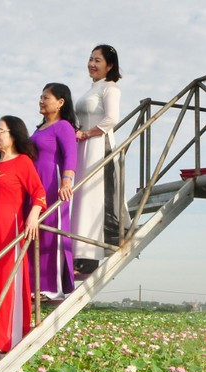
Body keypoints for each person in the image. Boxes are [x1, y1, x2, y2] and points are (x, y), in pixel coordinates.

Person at [0, 116, 47, 353]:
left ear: (13, 135)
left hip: (8, 232)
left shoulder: (22, 162)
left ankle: (5, 339)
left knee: (4, 282)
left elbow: (39, 192)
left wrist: (33, 214)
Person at [73, 44, 128, 275]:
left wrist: (87, 133)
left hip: (98, 146)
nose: (92, 64)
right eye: (90, 59)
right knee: (83, 199)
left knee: (96, 198)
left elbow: (111, 119)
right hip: (83, 148)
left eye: (98, 60)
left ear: (110, 65)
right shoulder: (91, 89)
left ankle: (91, 255)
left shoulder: (110, 88)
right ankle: (80, 251)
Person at [30, 83, 78, 299]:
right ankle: (33, 285)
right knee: (35, 233)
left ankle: (52, 287)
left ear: (60, 103)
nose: (41, 100)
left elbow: (70, 156)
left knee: (51, 232)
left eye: (46, 97)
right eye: (40, 96)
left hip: (53, 183)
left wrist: (66, 182)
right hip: (35, 185)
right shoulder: (38, 129)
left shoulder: (64, 127)